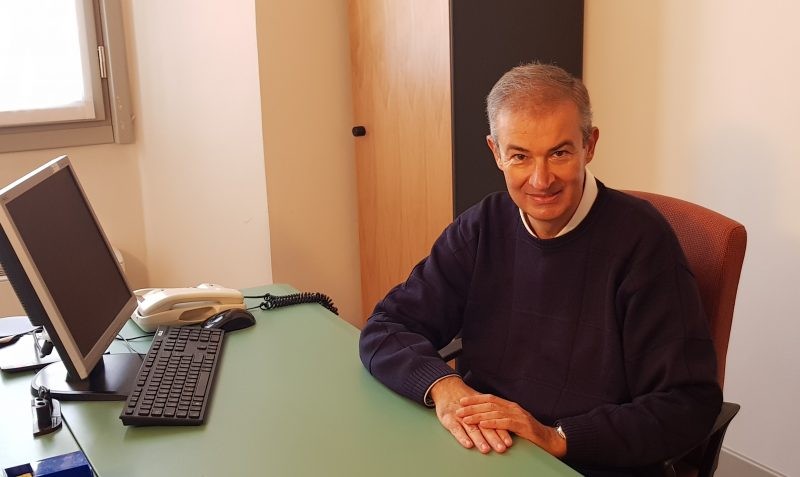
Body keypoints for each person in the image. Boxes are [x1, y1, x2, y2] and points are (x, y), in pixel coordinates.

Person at [358, 63, 721, 476]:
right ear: (496, 153)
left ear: (589, 145)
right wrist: (444, 386)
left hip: (587, 460)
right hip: (488, 450)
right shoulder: (482, 227)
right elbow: (386, 326)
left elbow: (687, 403)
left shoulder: (642, 242)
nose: (540, 179)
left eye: (559, 153)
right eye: (519, 156)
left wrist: (557, 436)